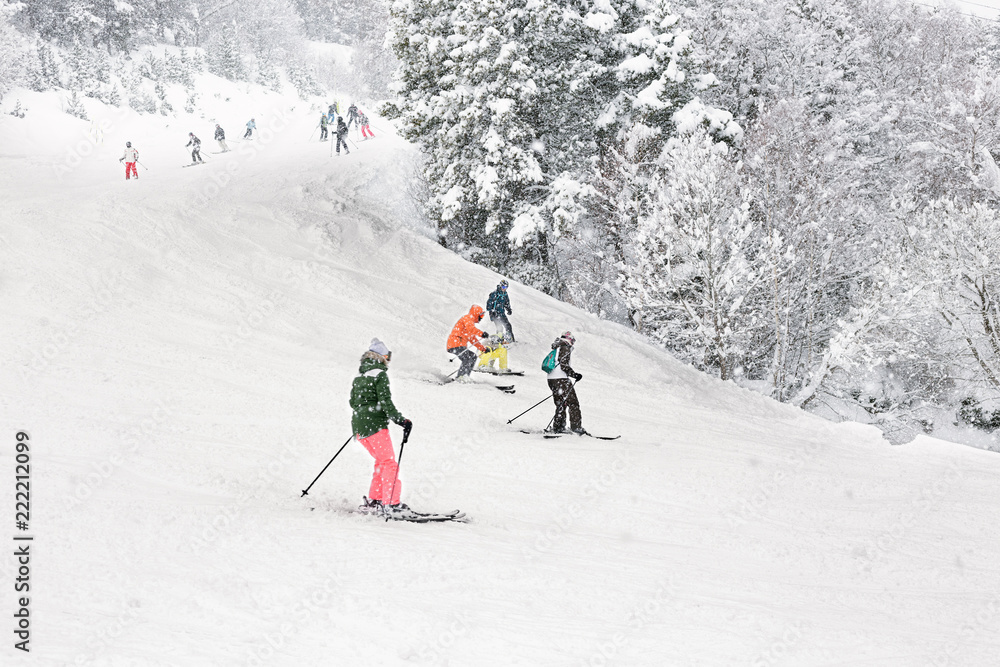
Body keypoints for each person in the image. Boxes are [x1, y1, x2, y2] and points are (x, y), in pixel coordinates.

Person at [350, 339, 412, 512]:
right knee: (389, 463)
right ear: (382, 356)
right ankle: (391, 503)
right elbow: (385, 401)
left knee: (381, 462)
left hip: (359, 427)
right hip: (375, 425)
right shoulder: (380, 374)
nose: (389, 361)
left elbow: (353, 402)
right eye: (388, 357)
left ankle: (376, 499)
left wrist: (362, 417)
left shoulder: (360, 376)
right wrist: (400, 420)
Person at [545, 331, 586, 435]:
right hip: (561, 379)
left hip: (551, 378)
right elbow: (563, 365)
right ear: (569, 339)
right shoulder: (564, 347)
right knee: (573, 403)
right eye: (572, 340)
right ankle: (576, 428)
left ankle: (559, 427)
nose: (573, 343)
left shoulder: (557, 346)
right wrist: (574, 374)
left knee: (561, 403)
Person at [447, 305, 490, 381]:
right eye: (481, 315)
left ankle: (465, 376)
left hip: (459, 344)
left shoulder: (469, 324)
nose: (482, 318)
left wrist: (483, 349)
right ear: (476, 314)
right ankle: (461, 377)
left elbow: (473, 340)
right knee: (467, 357)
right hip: (455, 343)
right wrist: (481, 333)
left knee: (473, 356)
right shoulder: (467, 318)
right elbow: (471, 329)